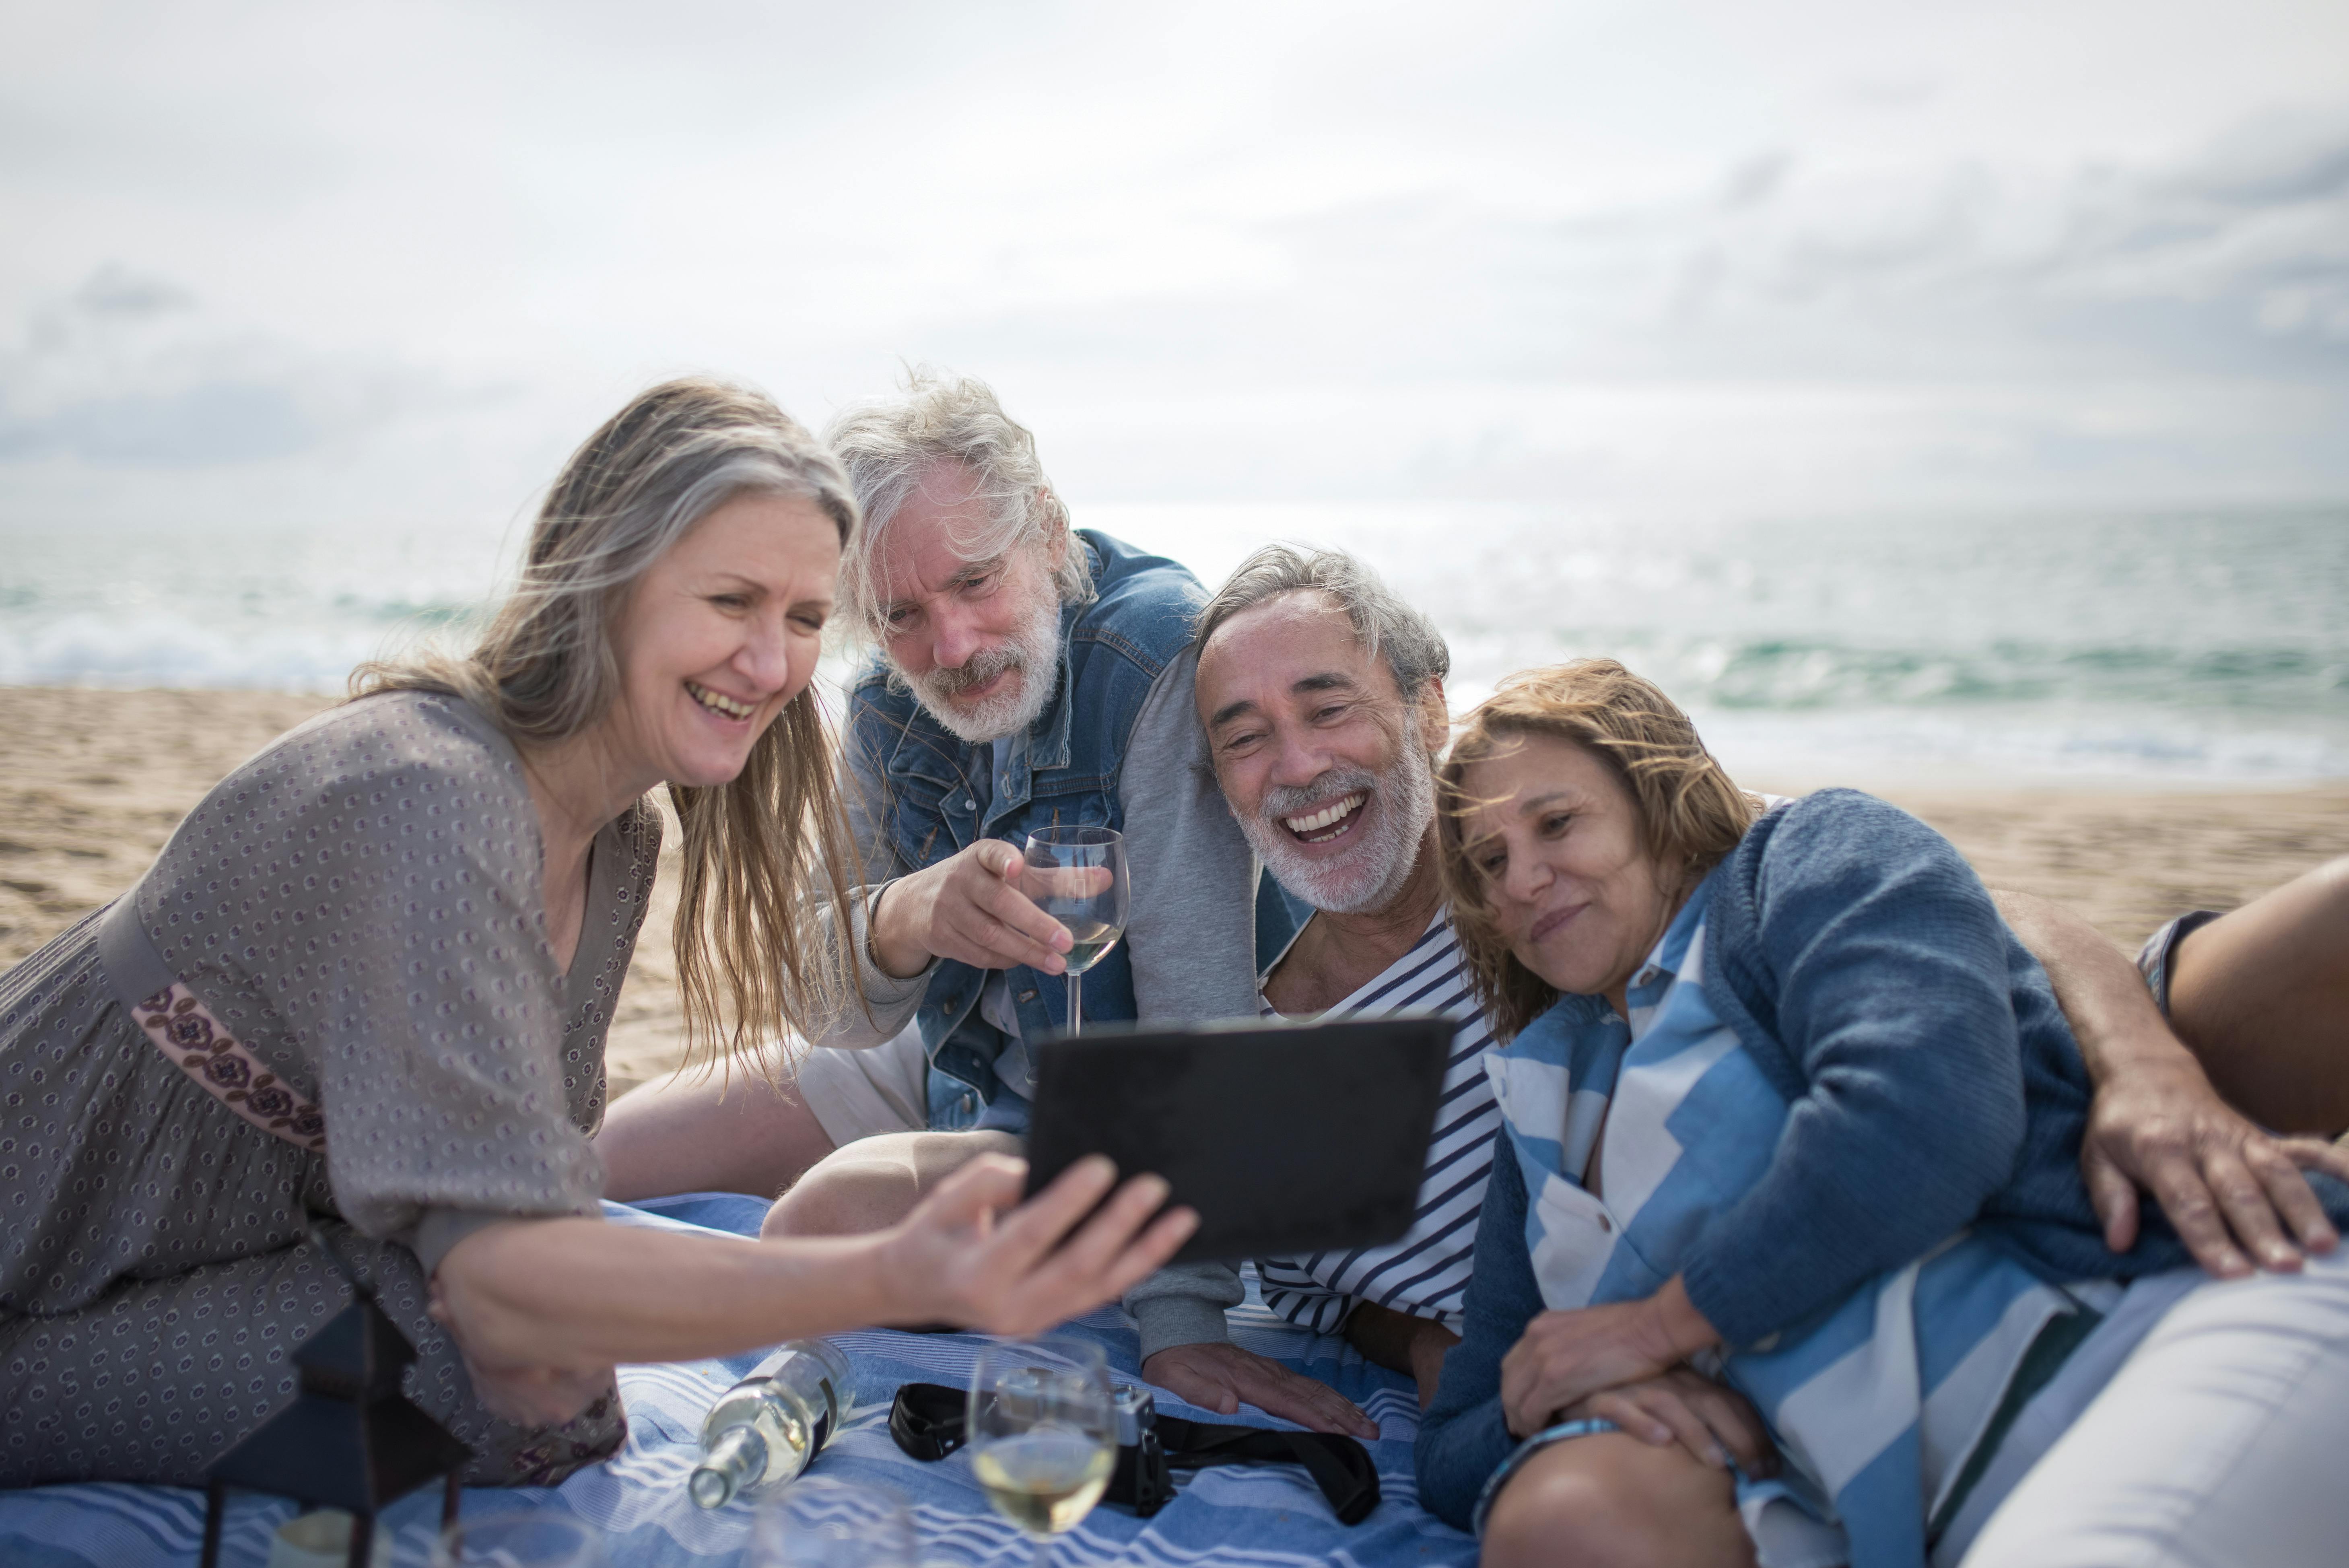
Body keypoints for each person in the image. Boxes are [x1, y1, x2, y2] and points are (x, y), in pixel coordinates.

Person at [0, 378, 1193, 1488]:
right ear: (604, 579)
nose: (773, 663)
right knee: (507, 1368)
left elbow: (534, 1236)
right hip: (51, 1244)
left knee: (537, 1398)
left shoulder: (616, 842)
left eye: (800, 617)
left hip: (243, 1236)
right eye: (729, 602)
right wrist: (887, 1274)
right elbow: (519, 1291)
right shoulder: (426, 796)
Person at [1412, 660, 2349, 1568]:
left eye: (1558, 823)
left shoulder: (1799, 863)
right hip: (1897, 1513)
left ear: (1657, 809)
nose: (1523, 879)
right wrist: (1545, 1399)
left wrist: (1654, 1329)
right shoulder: (1540, 1099)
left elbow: (1928, 1117)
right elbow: (1452, 1449)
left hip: (2126, 1355)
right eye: (1492, 861)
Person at [602, 371, 1271, 1360]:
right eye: (899, 612)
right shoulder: (886, 700)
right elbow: (826, 1006)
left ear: (1045, 529)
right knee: (602, 1162)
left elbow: (1200, 1016)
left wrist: (1183, 1320)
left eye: (974, 581)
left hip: (1109, 1117)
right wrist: (908, 916)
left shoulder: (1157, 657)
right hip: (955, 1061)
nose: (950, 644)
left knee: (818, 1225)